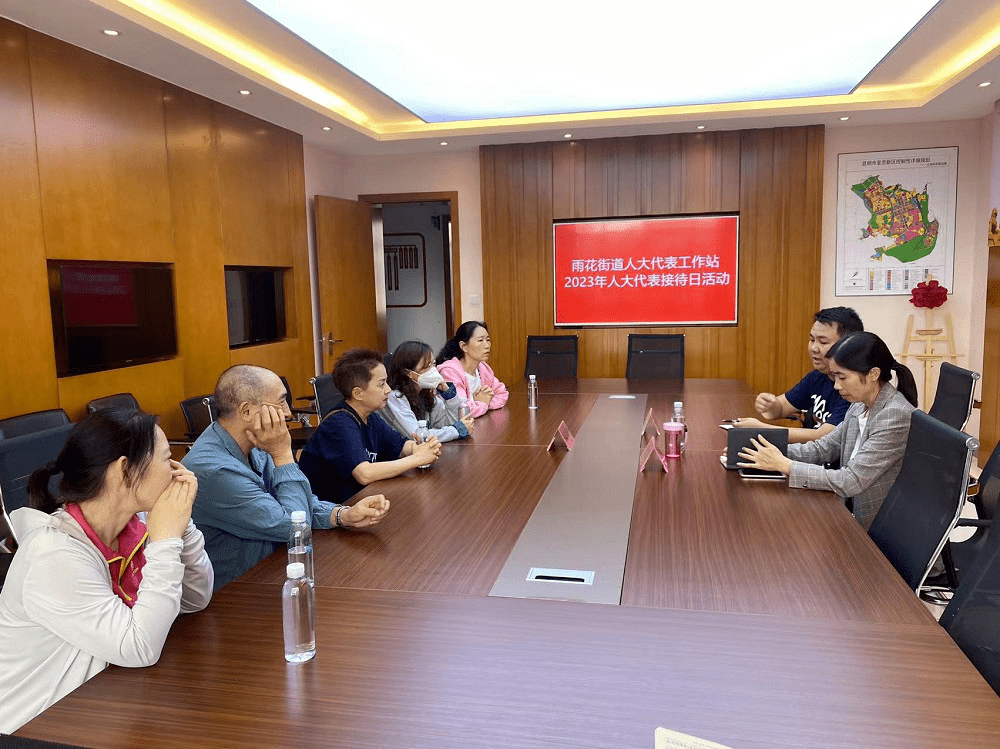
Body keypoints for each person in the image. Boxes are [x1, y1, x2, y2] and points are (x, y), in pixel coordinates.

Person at [0, 409, 213, 733]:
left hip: (97, 705)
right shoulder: (54, 556)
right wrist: (166, 540)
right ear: (125, 471)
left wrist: (180, 527)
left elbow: (194, 599)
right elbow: (139, 647)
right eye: (166, 458)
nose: (175, 471)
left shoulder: (131, 526)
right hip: (34, 727)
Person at [184, 365, 390, 590]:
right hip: (233, 597)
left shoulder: (256, 443)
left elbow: (301, 502)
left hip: (269, 574)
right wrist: (283, 454)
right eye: (281, 402)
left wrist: (342, 515)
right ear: (246, 412)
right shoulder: (213, 469)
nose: (289, 413)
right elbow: (293, 528)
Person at [738, 331, 918, 529]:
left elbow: (850, 480)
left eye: (842, 377)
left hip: (878, 530)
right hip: (846, 514)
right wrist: (760, 453)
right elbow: (822, 449)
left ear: (873, 374)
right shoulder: (859, 405)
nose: (836, 386)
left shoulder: (895, 415)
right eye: (834, 377)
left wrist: (785, 465)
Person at [298, 348, 442, 504]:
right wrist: (417, 459)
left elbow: (399, 446)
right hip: (331, 515)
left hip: (361, 503)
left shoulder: (370, 417)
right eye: (381, 385)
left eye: (386, 382)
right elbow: (364, 474)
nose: (388, 390)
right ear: (358, 394)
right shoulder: (339, 424)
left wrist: (419, 447)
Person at [734, 307, 864, 443]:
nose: (814, 348)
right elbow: (780, 408)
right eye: (812, 340)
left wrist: (762, 431)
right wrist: (770, 405)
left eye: (823, 342)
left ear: (848, 345)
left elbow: (823, 437)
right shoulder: (817, 377)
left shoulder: (853, 389)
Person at [381, 340, 475, 443]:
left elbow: (449, 423)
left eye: (433, 364)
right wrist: (456, 430)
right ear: (408, 373)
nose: (432, 371)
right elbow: (417, 436)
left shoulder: (426, 394)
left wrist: (449, 394)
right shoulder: (394, 398)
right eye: (426, 367)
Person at [436, 321, 508, 417]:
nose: (487, 346)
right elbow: (460, 410)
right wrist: (483, 404)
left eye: (488, 340)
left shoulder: (483, 368)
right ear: (464, 346)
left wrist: (485, 404)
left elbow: (502, 393)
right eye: (480, 340)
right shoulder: (450, 372)